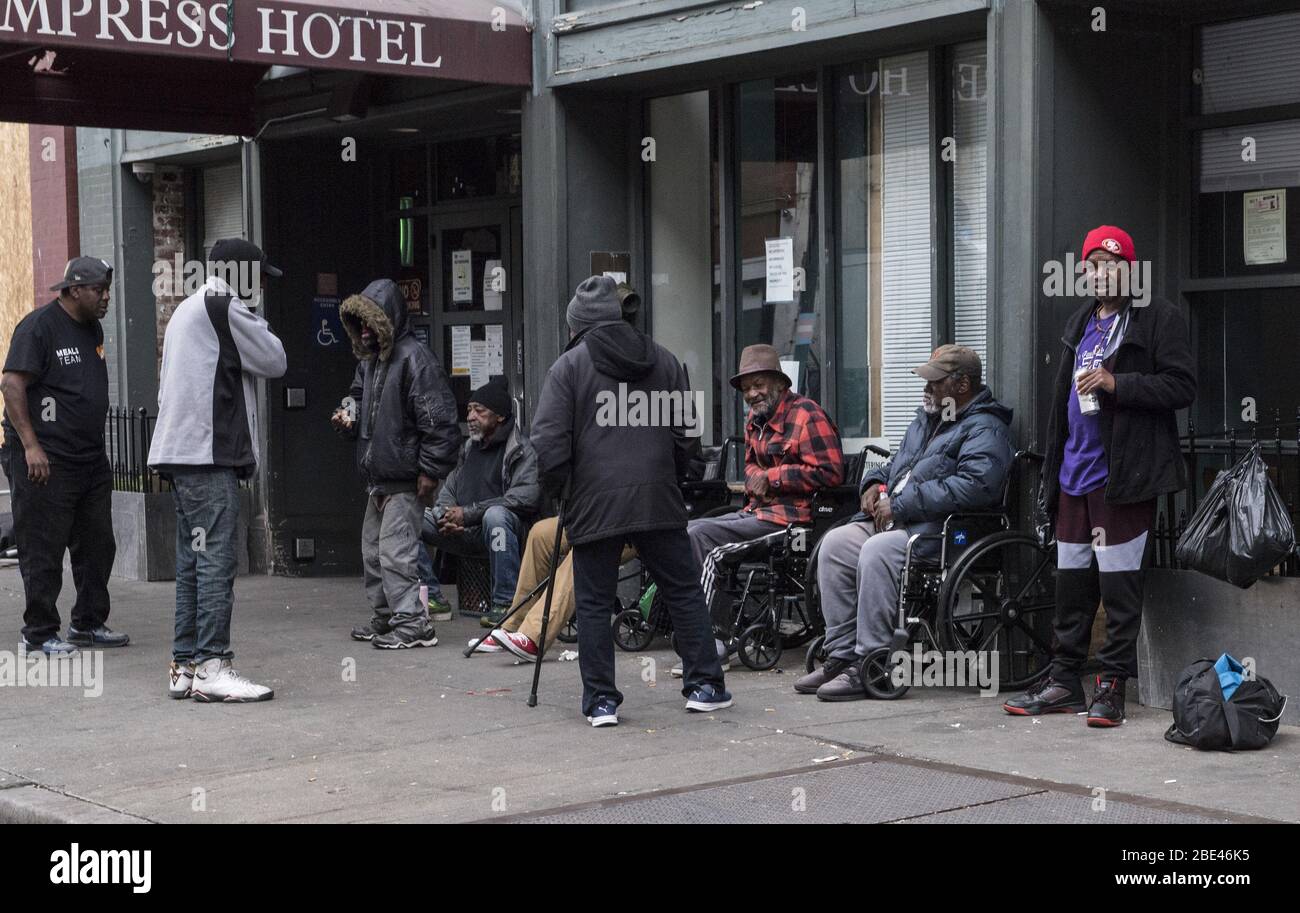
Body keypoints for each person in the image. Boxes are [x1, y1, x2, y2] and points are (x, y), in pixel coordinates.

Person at [1004, 225, 1194, 727]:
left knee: (1119, 587)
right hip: (1073, 475)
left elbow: (1181, 386)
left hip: (1123, 477)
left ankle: (1111, 686)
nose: (1100, 273)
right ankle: (1064, 681)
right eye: (1092, 265)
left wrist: (1117, 382)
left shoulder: (1157, 318)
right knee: (1071, 586)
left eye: (1111, 264)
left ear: (1130, 270)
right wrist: (1051, 471)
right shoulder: (1080, 322)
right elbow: (1060, 410)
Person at [531, 275, 731, 726]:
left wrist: (558, 488)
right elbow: (687, 434)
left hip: (595, 501)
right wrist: (673, 476)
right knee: (682, 590)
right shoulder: (663, 360)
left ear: (577, 324)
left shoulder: (569, 367)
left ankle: (601, 701)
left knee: (595, 601)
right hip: (657, 499)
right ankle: (705, 685)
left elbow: (548, 443)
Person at [795, 345, 1014, 701]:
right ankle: (842, 653)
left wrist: (900, 503)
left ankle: (872, 659)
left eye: (935, 382)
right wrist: (871, 485)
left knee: (876, 551)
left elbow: (977, 487)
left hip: (944, 533)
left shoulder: (986, 429)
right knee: (835, 545)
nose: (926, 389)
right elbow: (897, 466)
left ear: (962, 386)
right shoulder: (925, 422)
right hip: (899, 520)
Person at [148, 239, 287, 702]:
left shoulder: (189, 307)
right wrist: (251, 313)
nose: (264, 287)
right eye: (261, 278)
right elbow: (275, 358)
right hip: (208, 456)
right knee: (216, 562)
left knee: (192, 563)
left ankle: (184, 665)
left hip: (182, 454)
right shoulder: (221, 305)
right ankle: (213, 665)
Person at [670, 344, 844, 678]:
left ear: (779, 384)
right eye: (747, 388)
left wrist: (775, 478)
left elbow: (832, 472)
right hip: (757, 512)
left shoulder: (807, 415)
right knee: (692, 530)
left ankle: (710, 646)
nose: (752, 394)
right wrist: (756, 478)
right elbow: (750, 465)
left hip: (793, 519)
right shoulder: (755, 419)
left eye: (759, 385)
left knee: (708, 544)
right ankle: (708, 637)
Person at [1, 256, 123, 656]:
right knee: (43, 548)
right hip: (44, 461)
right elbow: (12, 384)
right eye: (98, 290)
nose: (106, 297)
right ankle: (37, 633)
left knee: (98, 544)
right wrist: (32, 446)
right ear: (73, 290)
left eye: (107, 290)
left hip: (88, 460)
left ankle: (88, 623)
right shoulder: (39, 328)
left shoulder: (92, 329)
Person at [335, 279, 462, 649]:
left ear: (384, 322)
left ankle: (413, 622)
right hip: (382, 475)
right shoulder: (371, 362)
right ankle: (389, 616)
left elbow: (438, 421)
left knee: (395, 552)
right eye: (359, 325)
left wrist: (430, 472)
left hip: (403, 477)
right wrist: (347, 413)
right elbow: (357, 398)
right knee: (373, 551)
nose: (363, 331)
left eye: (369, 323)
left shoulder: (414, 359)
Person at [417, 375, 539, 628]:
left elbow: (525, 497)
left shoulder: (522, 450)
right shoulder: (469, 448)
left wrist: (469, 514)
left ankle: (506, 604)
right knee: (410, 520)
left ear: (500, 417)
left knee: (495, 516)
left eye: (479, 411)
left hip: (502, 536)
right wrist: (445, 515)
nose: (471, 416)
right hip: (463, 531)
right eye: (470, 409)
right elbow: (449, 487)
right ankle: (433, 597)